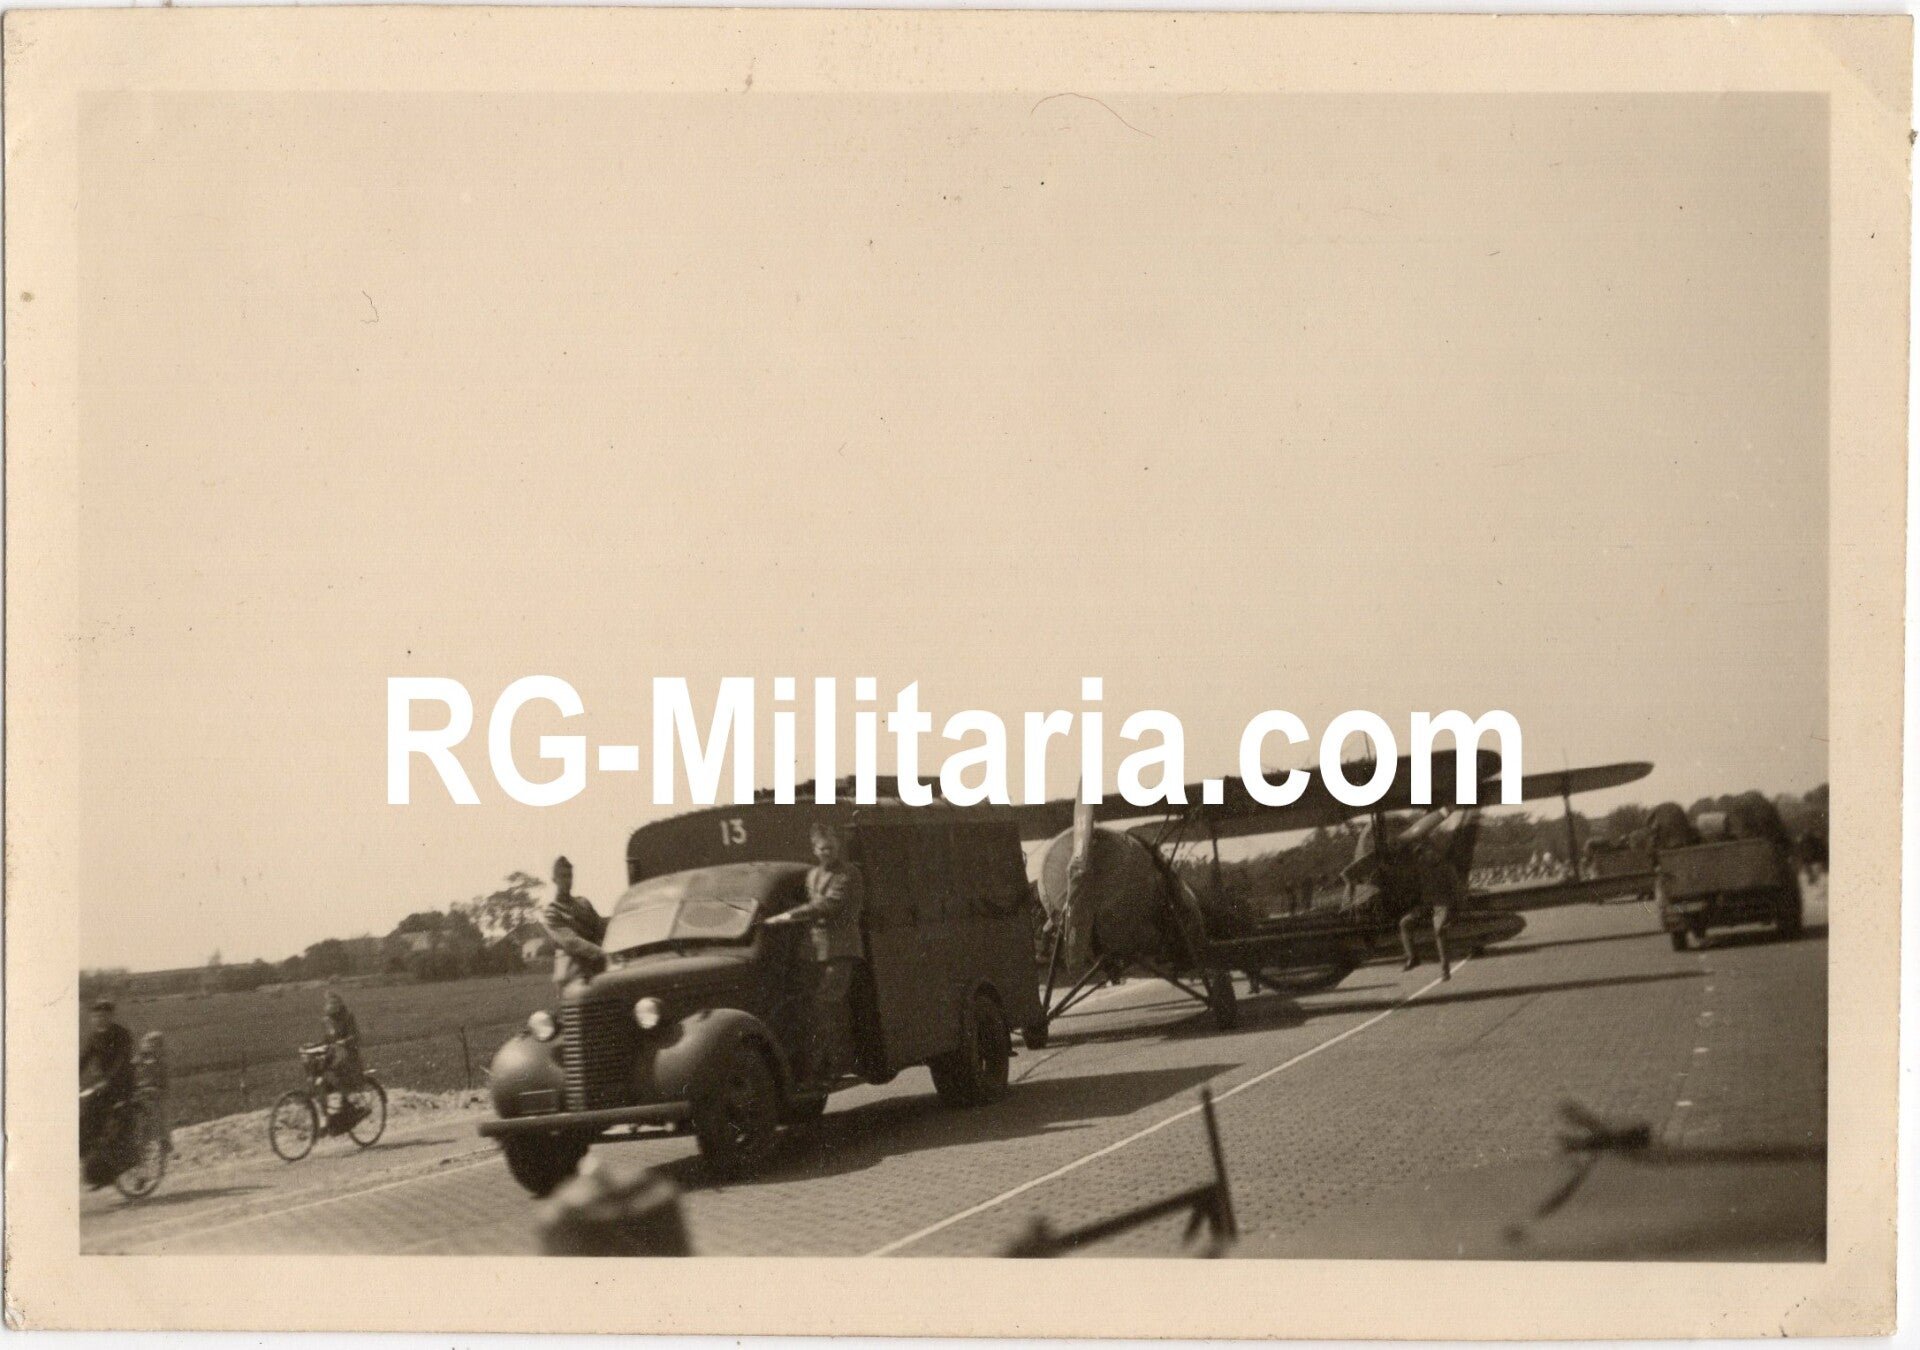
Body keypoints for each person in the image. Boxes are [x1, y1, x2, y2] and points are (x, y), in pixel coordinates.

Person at [764, 822, 867, 1082]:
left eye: (830, 847)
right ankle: (819, 1065)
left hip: (841, 949)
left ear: (838, 846)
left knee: (828, 1004)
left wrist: (788, 915)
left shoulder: (848, 874)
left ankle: (837, 1063)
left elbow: (829, 904)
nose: (826, 853)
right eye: (821, 848)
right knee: (812, 1007)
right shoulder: (812, 875)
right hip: (815, 951)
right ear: (814, 849)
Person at [80, 998, 136, 1178]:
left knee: (118, 1122)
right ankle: (95, 1164)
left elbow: (122, 1061)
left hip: (123, 1084)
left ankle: (124, 1161)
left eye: (104, 1016)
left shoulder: (122, 1034)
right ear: (92, 1018)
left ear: (111, 1016)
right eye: (96, 1016)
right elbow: (83, 1060)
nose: (100, 1019)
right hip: (104, 1086)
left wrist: (108, 1081)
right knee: (87, 1117)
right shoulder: (94, 1037)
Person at [541, 855, 607, 987]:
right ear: (554, 879)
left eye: (570, 876)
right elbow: (571, 942)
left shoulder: (584, 904)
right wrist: (603, 953)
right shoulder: (551, 913)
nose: (568, 881)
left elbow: (602, 930)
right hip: (572, 974)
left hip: (598, 969)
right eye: (563, 876)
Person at [317, 990, 366, 1127]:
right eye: (329, 1002)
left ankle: (352, 1102)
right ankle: (325, 1116)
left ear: (339, 1004)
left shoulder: (348, 1016)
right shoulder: (326, 1020)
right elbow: (326, 1040)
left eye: (334, 1002)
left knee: (334, 1074)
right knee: (319, 1081)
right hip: (334, 1056)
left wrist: (344, 1042)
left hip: (349, 1057)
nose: (332, 1005)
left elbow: (356, 1036)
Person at [133, 1030, 172, 1159]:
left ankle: (164, 1140)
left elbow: (164, 1084)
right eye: (148, 1045)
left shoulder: (161, 1063)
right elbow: (131, 1075)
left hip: (156, 1094)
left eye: (155, 1046)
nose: (151, 1048)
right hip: (140, 1093)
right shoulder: (138, 1061)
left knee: (161, 1112)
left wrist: (157, 1090)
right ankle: (140, 1144)